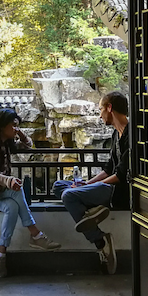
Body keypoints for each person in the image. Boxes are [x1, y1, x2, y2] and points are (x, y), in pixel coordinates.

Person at [0, 108, 61, 277]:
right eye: (13, 125)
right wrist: (8, 181)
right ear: (1, 125)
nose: (15, 129)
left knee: (12, 207)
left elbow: (27, 146)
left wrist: (20, 132)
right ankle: (35, 234)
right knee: (16, 192)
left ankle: (0, 253)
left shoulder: (4, 142)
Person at [60, 91, 128, 274]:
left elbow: (120, 175)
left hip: (119, 191)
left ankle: (100, 241)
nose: (99, 114)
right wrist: (86, 184)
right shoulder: (116, 135)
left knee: (68, 196)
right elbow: (108, 168)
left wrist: (91, 187)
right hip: (108, 185)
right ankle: (91, 211)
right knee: (59, 186)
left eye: (100, 109)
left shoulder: (132, 136)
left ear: (109, 108)